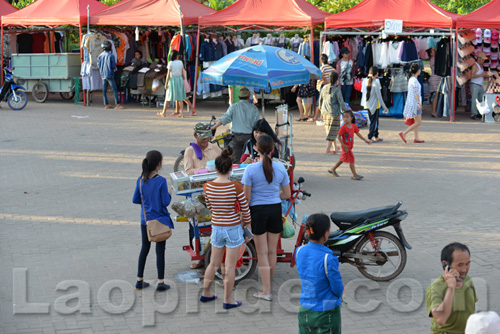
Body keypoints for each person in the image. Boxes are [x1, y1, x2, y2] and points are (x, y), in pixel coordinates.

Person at [200, 148, 251, 310]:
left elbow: (209, 206)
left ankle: (206, 292)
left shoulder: (207, 187)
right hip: (233, 228)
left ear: (215, 168)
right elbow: (245, 208)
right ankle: (228, 300)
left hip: (216, 227)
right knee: (230, 266)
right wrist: (247, 225)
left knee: (213, 263)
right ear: (231, 168)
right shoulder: (236, 186)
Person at [242, 134, 291, 301]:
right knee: (271, 252)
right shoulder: (281, 168)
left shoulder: (250, 169)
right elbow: (287, 194)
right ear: (273, 149)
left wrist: (243, 217)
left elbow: (246, 199)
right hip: (275, 210)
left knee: (262, 253)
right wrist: (273, 195)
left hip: (258, 212)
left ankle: (267, 291)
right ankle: (266, 284)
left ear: (256, 148)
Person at [295, 214, 344, 334]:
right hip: (327, 313)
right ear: (326, 234)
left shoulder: (299, 251)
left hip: (305, 310)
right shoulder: (328, 258)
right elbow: (337, 289)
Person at [132, 150, 172, 291]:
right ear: (159, 164)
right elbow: (165, 202)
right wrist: (169, 194)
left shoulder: (141, 180)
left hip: (146, 221)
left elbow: (135, 199)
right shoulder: (161, 181)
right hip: (159, 221)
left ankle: (139, 280)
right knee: (160, 251)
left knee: (145, 248)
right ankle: (160, 282)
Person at [426, 242, 477, 334]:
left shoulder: (467, 280)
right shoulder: (436, 287)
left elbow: (471, 308)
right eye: (460, 265)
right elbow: (441, 319)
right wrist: (451, 287)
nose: (465, 270)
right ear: (445, 264)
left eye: (467, 264)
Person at [211, 88, 260, 163]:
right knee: (249, 159)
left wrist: (214, 127)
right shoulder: (254, 109)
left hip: (236, 138)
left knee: (236, 160)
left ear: (239, 97)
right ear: (248, 97)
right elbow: (257, 125)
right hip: (249, 137)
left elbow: (224, 119)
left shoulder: (233, 107)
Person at [328, 110, 370, 180]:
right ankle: (355, 175)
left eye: (347, 117)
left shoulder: (353, 126)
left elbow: (358, 134)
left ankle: (333, 169)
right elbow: (339, 136)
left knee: (342, 159)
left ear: (351, 118)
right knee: (352, 160)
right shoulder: (343, 127)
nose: (345, 119)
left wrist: (365, 140)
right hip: (346, 147)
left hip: (349, 146)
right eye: (344, 117)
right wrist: (343, 145)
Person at [318, 71, 350, 155]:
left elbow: (320, 100)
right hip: (334, 113)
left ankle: (335, 147)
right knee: (333, 132)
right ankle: (327, 150)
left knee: (330, 131)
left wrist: (321, 110)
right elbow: (341, 103)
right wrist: (346, 111)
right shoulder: (337, 90)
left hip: (325, 112)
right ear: (337, 79)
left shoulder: (324, 87)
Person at [400, 63, 424, 144]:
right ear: (418, 71)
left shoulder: (411, 79)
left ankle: (416, 137)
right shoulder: (415, 81)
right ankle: (404, 133)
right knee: (418, 121)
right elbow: (416, 93)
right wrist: (419, 103)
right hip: (415, 104)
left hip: (412, 103)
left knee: (416, 121)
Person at [97, 41, 125, 110]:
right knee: (114, 89)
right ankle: (117, 104)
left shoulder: (100, 56)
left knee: (104, 90)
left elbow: (98, 65)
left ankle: (106, 104)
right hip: (110, 74)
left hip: (103, 74)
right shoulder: (111, 55)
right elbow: (113, 66)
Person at [365, 66, 389, 143]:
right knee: (373, 122)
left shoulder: (366, 81)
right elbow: (379, 97)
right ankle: (370, 137)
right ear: (377, 74)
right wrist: (385, 107)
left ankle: (376, 136)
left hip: (369, 104)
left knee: (374, 121)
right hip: (375, 105)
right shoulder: (376, 83)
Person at [159, 50, 186, 118]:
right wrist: (183, 77)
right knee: (180, 97)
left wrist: (166, 83)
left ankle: (164, 112)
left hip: (172, 79)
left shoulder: (170, 63)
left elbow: (168, 74)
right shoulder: (180, 62)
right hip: (179, 79)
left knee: (168, 96)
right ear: (177, 56)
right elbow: (182, 71)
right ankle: (182, 113)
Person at [312, 54, 335, 125]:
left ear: (321, 60)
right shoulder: (331, 68)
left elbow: (321, 75)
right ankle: (324, 117)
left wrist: (325, 81)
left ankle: (316, 117)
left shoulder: (322, 68)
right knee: (327, 102)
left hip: (323, 86)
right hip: (329, 86)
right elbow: (336, 73)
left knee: (320, 102)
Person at [470, 52, 492, 120]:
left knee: (480, 100)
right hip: (475, 85)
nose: (483, 61)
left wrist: (485, 74)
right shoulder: (475, 66)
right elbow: (472, 75)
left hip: (479, 85)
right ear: (479, 59)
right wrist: (482, 75)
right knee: (475, 100)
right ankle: (474, 114)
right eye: (482, 59)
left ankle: (479, 113)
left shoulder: (480, 66)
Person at [426, 48, 441, 118]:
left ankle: (434, 111)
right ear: (431, 54)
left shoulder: (433, 59)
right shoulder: (434, 60)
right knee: (436, 95)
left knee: (436, 95)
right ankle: (434, 111)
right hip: (435, 78)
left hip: (435, 77)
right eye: (433, 51)